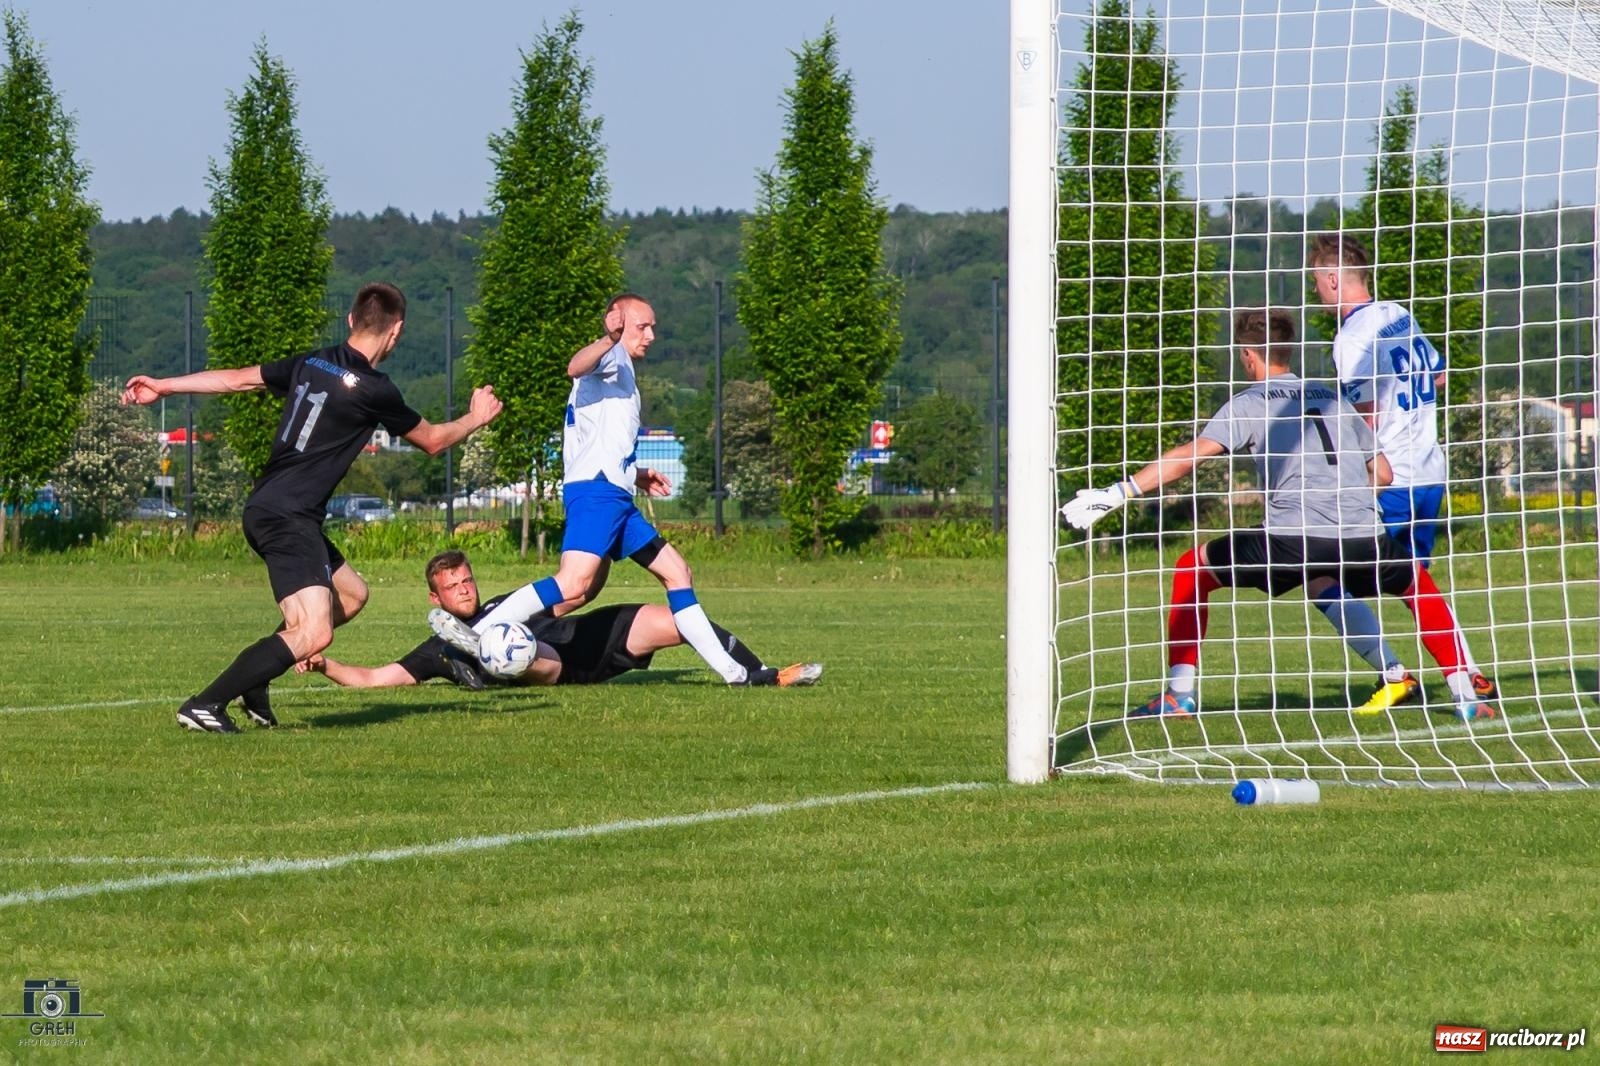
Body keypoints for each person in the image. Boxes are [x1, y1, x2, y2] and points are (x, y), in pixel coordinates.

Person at [1060, 309, 1498, 722]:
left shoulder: (1249, 402)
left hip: (1290, 539)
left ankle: (1180, 693)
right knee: (1408, 584)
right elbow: (1382, 473)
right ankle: (1461, 692)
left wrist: (1121, 491)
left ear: (1247, 355)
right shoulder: (1333, 398)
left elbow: (1192, 456)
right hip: (1362, 535)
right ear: (1287, 350)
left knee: (1193, 568)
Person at [121, 282, 503, 733]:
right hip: (287, 516)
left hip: (275, 507)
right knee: (315, 632)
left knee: (353, 595)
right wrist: (476, 418)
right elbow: (435, 441)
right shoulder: (375, 388)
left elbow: (238, 377)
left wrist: (165, 386)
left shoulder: (311, 361)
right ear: (396, 331)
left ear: (350, 321)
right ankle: (204, 704)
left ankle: (256, 684)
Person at [428, 293, 769, 684]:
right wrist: (609, 340)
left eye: (652, 326)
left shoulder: (621, 369)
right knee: (573, 583)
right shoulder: (613, 356)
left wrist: (635, 473)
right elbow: (575, 366)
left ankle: (735, 674)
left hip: (614, 494)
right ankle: (471, 638)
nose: (651, 334)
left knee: (678, 572)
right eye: (642, 326)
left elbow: (599, 438)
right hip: (597, 493)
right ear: (617, 321)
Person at [1308, 234, 1494, 712]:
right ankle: (1468, 675)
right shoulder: (1398, 313)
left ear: (1333, 278)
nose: (1315, 292)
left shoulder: (1351, 340)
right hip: (1430, 469)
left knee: (1319, 575)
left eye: (1316, 281)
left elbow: (1365, 423)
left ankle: (1394, 674)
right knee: (1416, 582)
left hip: (1390, 476)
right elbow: (1438, 374)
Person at [306, 550, 823, 689]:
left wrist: (599, 553)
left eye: (467, 580)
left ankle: (762, 675)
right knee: (522, 651)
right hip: (556, 666)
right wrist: (326, 664)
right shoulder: (436, 648)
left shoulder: (510, 602)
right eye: (454, 587)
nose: (465, 588)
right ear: (435, 599)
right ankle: (490, 653)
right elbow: (377, 679)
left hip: (588, 640)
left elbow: (576, 596)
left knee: (683, 622)